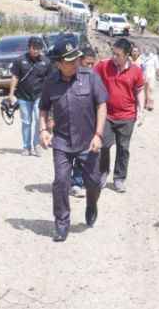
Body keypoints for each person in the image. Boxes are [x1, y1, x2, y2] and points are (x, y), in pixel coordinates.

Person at [39, 37, 109, 242]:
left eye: (76, 59)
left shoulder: (90, 77)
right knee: (61, 182)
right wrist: (43, 129)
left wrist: (98, 134)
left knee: (93, 182)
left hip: (88, 141)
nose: (75, 63)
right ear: (58, 63)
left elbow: (102, 105)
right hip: (61, 141)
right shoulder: (50, 82)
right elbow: (43, 107)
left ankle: (91, 203)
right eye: (69, 61)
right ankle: (62, 223)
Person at [94, 38, 146, 193]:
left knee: (123, 148)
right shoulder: (104, 66)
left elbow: (139, 90)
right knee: (104, 146)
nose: (114, 57)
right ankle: (103, 173)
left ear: (127, 55)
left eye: (117, 55)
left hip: (127, 116)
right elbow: (90, 76)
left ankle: (119, 179)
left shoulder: (136, 71)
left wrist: (141, 111)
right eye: (113, 53)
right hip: (107, 115)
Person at [8, 37, 52, 157]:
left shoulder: (46, 62)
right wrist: (11, 94)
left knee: (39, 119)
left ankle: (36, 145)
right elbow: (15, 77)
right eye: (34, 48)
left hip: (40, 96)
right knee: (26, 122)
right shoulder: (19, 60)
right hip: (23, 96)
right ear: (29, 47)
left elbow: (50, 80)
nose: (36, 51)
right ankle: (26, 147)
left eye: (39, 48)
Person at [70, 46, 99, 198]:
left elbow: (100, 102)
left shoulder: (94, 77)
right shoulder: (68, 76)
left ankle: (78, 181)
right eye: (88, 64)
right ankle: (73, 181)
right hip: (70, 124)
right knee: (71, 154)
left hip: (88, 124)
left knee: (85, 155)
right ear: (79, 61)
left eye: (92, 64)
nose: (90, 67)